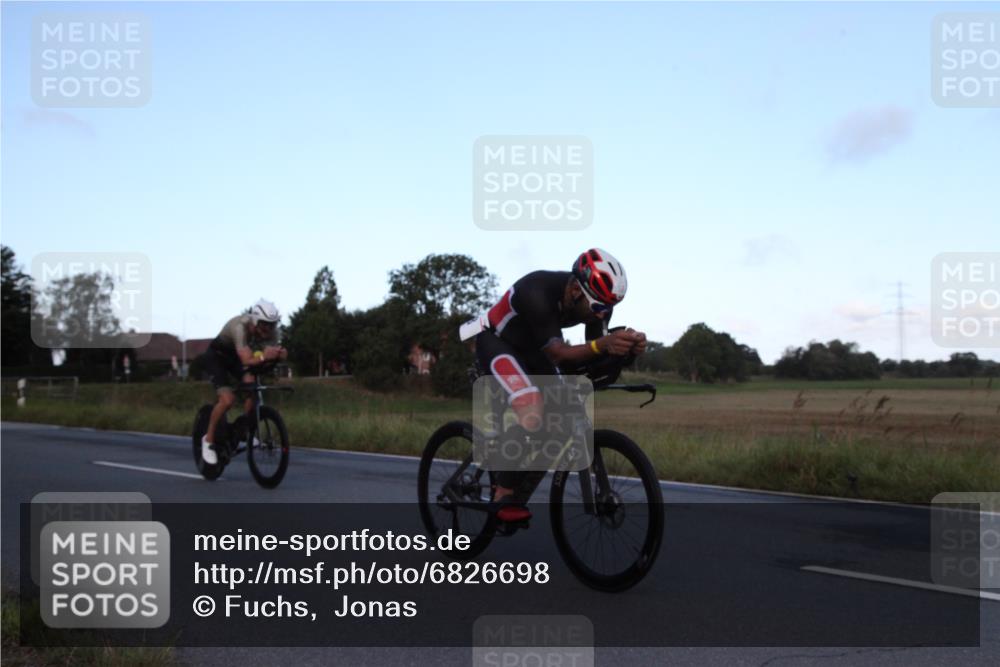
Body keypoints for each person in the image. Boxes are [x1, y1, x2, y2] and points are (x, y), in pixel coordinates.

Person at [461, 248, 647, 521]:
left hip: (533, 349)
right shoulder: (537, 291)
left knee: (559, 418)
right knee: (532, 407)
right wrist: (602, 344)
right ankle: (502, 493)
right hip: (497, 343)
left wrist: (627, 351)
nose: (601, 316)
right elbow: (561, 355)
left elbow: (590, 360)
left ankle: (517, 484)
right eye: (597, 308)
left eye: (608, 310)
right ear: (574, 289)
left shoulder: (597, 305)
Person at [199, 299, 288, 465]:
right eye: (264, 325)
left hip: (236, 359)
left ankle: (244, 429)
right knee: (228, 400)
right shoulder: (240, 327)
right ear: (254, 321)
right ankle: (208, 440)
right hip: (217, 358)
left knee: (252, 388)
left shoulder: (271, 332)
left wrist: (280, 354)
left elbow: (278, 352)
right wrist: (263, 356)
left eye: (272, 325)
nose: (268, 330)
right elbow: (247, 360)